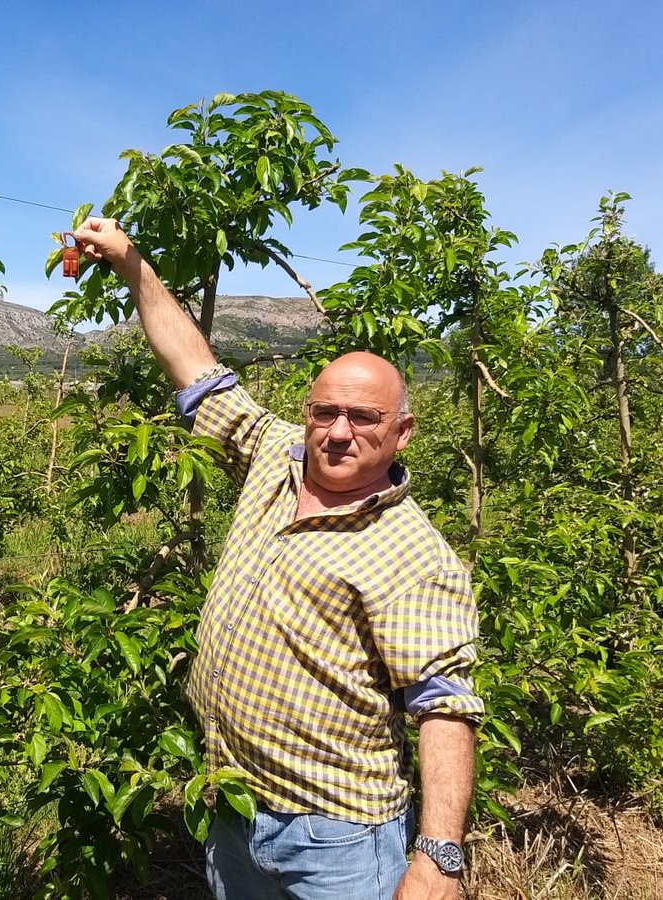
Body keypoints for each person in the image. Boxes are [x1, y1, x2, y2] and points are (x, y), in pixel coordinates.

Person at [72, 217, 483, 900]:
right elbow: (196, 368)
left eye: (364, 418)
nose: (339, 433)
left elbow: (443, 707)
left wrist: (437, 856)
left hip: (336, 839)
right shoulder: (275, 456)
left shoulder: (414, 553)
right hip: (230, 806)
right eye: (325, 412)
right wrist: (128, 260)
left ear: (402, 432)